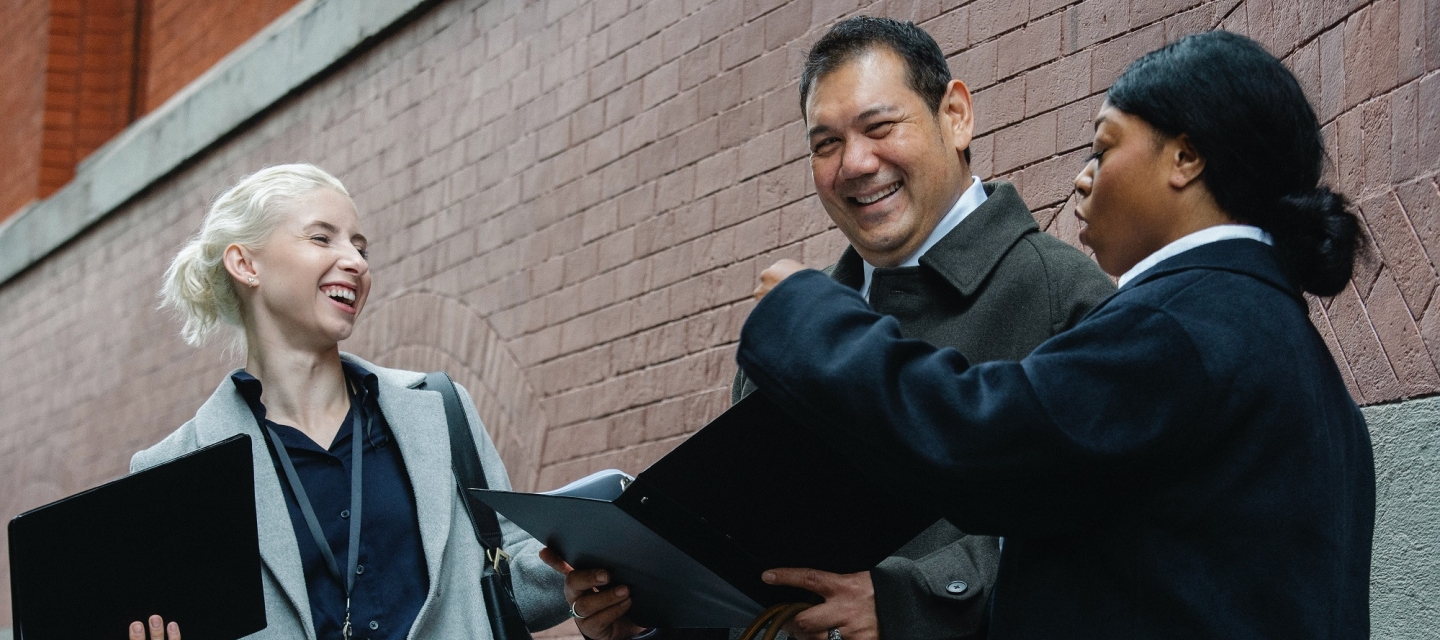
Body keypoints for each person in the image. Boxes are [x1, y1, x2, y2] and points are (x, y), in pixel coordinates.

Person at [736, 30, 1373, 638]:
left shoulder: (1176, 324)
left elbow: (984, 439)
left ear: (1185, 158)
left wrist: (809, 323)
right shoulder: (1281, 346)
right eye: (824, 143)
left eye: (1103, 147)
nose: (1081, 177)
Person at [127, 164, 639, 640]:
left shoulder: (439, 409)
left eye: (360, 247)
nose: (353, 261)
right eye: (321, 237)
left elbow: (502, 573)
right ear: (245, 263)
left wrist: (585, 590)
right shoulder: (175, 469)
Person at [728, 16, 1114, 640]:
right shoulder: (791, 326)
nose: (854, 163)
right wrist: (647, 602)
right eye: (825, 144)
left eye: (880, 128)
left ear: (956, 115)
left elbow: (1107, 528)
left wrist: (911, 602)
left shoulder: (1060, 296)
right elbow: (744, 553)